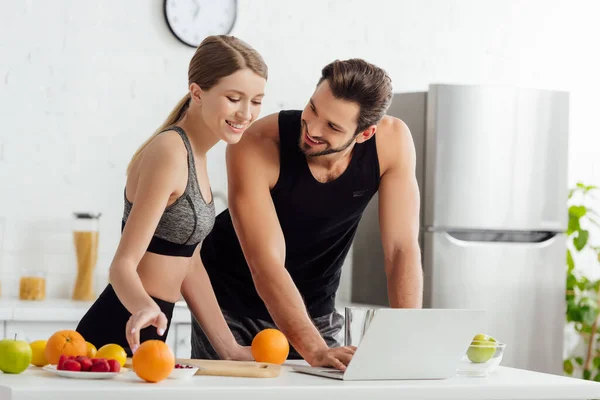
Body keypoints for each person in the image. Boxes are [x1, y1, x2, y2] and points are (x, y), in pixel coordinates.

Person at [189, 58, 423, 370]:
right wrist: (314, 349)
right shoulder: (258, 142)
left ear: (364, 134)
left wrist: (409, 343)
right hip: (232, 304)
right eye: (313, 109)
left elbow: (400, 249)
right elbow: (266, 264)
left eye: (333, 127)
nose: (312, 128)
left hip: (317, 305)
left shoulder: (391, 143)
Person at [76, 35, 268, 358]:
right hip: (117, 329)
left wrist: (230, 348)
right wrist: (143, 309)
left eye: (257, 100)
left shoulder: (199, 156)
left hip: (149, 326)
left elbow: (189, 263)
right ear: (197, 93)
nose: (246, 113)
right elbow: (122, 266)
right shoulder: (170, 152)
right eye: (234, 98)